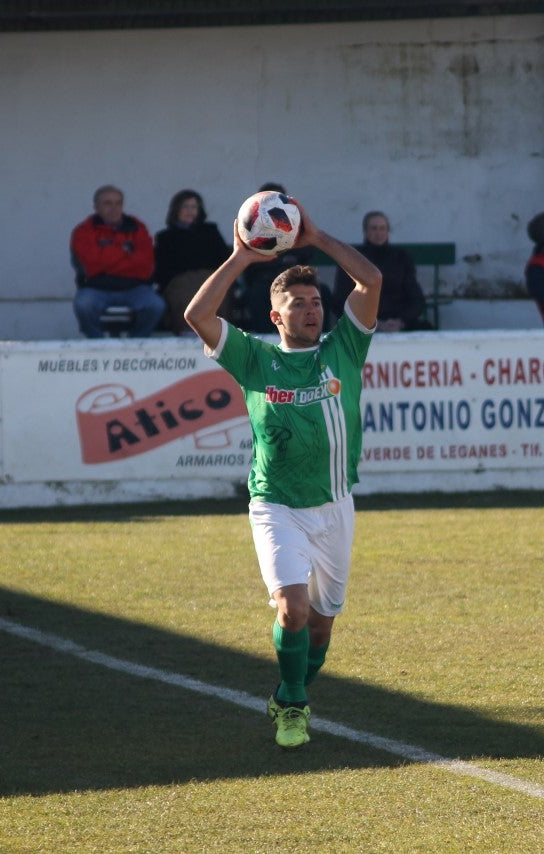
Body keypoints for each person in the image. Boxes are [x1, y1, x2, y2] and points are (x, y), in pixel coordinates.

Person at [183, 198, 381, 750]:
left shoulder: (344, 349)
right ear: (276, 317)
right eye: (298, 304)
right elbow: (198, 317)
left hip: (335, 505)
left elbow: (370, 281)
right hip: (276, 505)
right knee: (292, 611)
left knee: (320, 627)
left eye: (316, 302)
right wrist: (241, 258)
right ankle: (293, 704)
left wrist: (316, 238)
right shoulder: (254, 359)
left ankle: (287, 689)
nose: (312, 310)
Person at [70, 185, 164, 338]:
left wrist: (106, 259)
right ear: (96, 207)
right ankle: (99, 345)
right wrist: (126, 253)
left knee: (155, 305)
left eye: (118, 203)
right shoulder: (83, 231)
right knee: (83, 305)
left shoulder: (138, 228)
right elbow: (92, 265)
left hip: (135, 288)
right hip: (96, 287)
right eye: (107, 203)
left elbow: (145, 265)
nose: (114, 208)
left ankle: (135, 344)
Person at [235, 182, 326, 334]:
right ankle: (263, 337)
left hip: (293, 280)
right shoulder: (250, 229)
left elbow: (307, 253)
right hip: (264, 281)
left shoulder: (295, 224)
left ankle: (316, 336)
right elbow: (250, 266)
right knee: (256, 294)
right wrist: (278, 259)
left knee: (321, 292)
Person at [331, 211, 430, 332]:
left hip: (398, 321)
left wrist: (401, 321)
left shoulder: (401, 258)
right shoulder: (352, 258)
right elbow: (339, 302)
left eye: (382, 228)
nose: (379, 233)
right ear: (365, 231)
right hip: (362, 324)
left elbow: (416, 299)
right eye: (374, 228)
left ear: (388, 231)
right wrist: (374, 324)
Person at [154, 189, 230, 336]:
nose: (190, 211)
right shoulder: (165, 237)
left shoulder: (210, 231)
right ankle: (187, 332)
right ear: (176, 210)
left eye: (194, 207)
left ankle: (218, 334)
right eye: (185, 207)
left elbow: (223, 259)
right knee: (186, 297)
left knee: (217, 294)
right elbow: (163, 269)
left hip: (210, 278)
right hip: (180, 281)